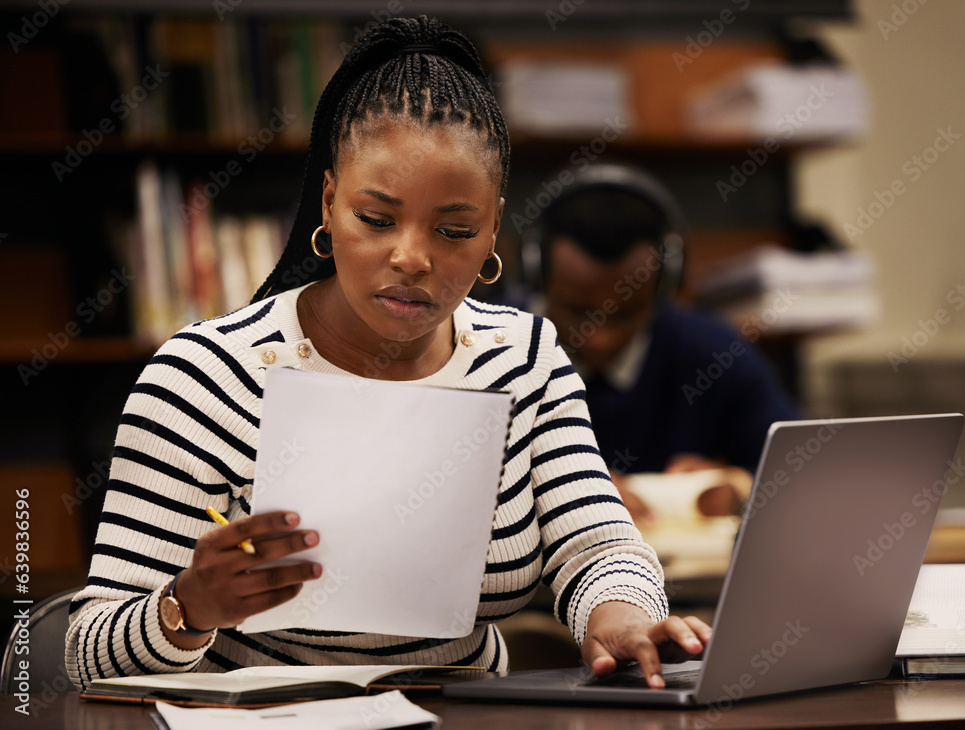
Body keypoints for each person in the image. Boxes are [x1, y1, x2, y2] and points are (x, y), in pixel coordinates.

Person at [66, 16, 709, 693]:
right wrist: (187, 608)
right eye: (375, 219)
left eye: (455, 229)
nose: (410, 257)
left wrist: (622, 615)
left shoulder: (523, 358)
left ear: (493, 226)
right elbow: (87, 652)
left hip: (462, 717)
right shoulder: (203, 377)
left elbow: (598, 546)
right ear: (328, 203)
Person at [518, 163, 802, 520]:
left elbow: (803, 469)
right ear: (535, 273)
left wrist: (739, 487)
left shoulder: (712, 352)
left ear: (665, 283)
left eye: (625, 314)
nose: (601, 338)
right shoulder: (485, 349)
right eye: (579, 312)